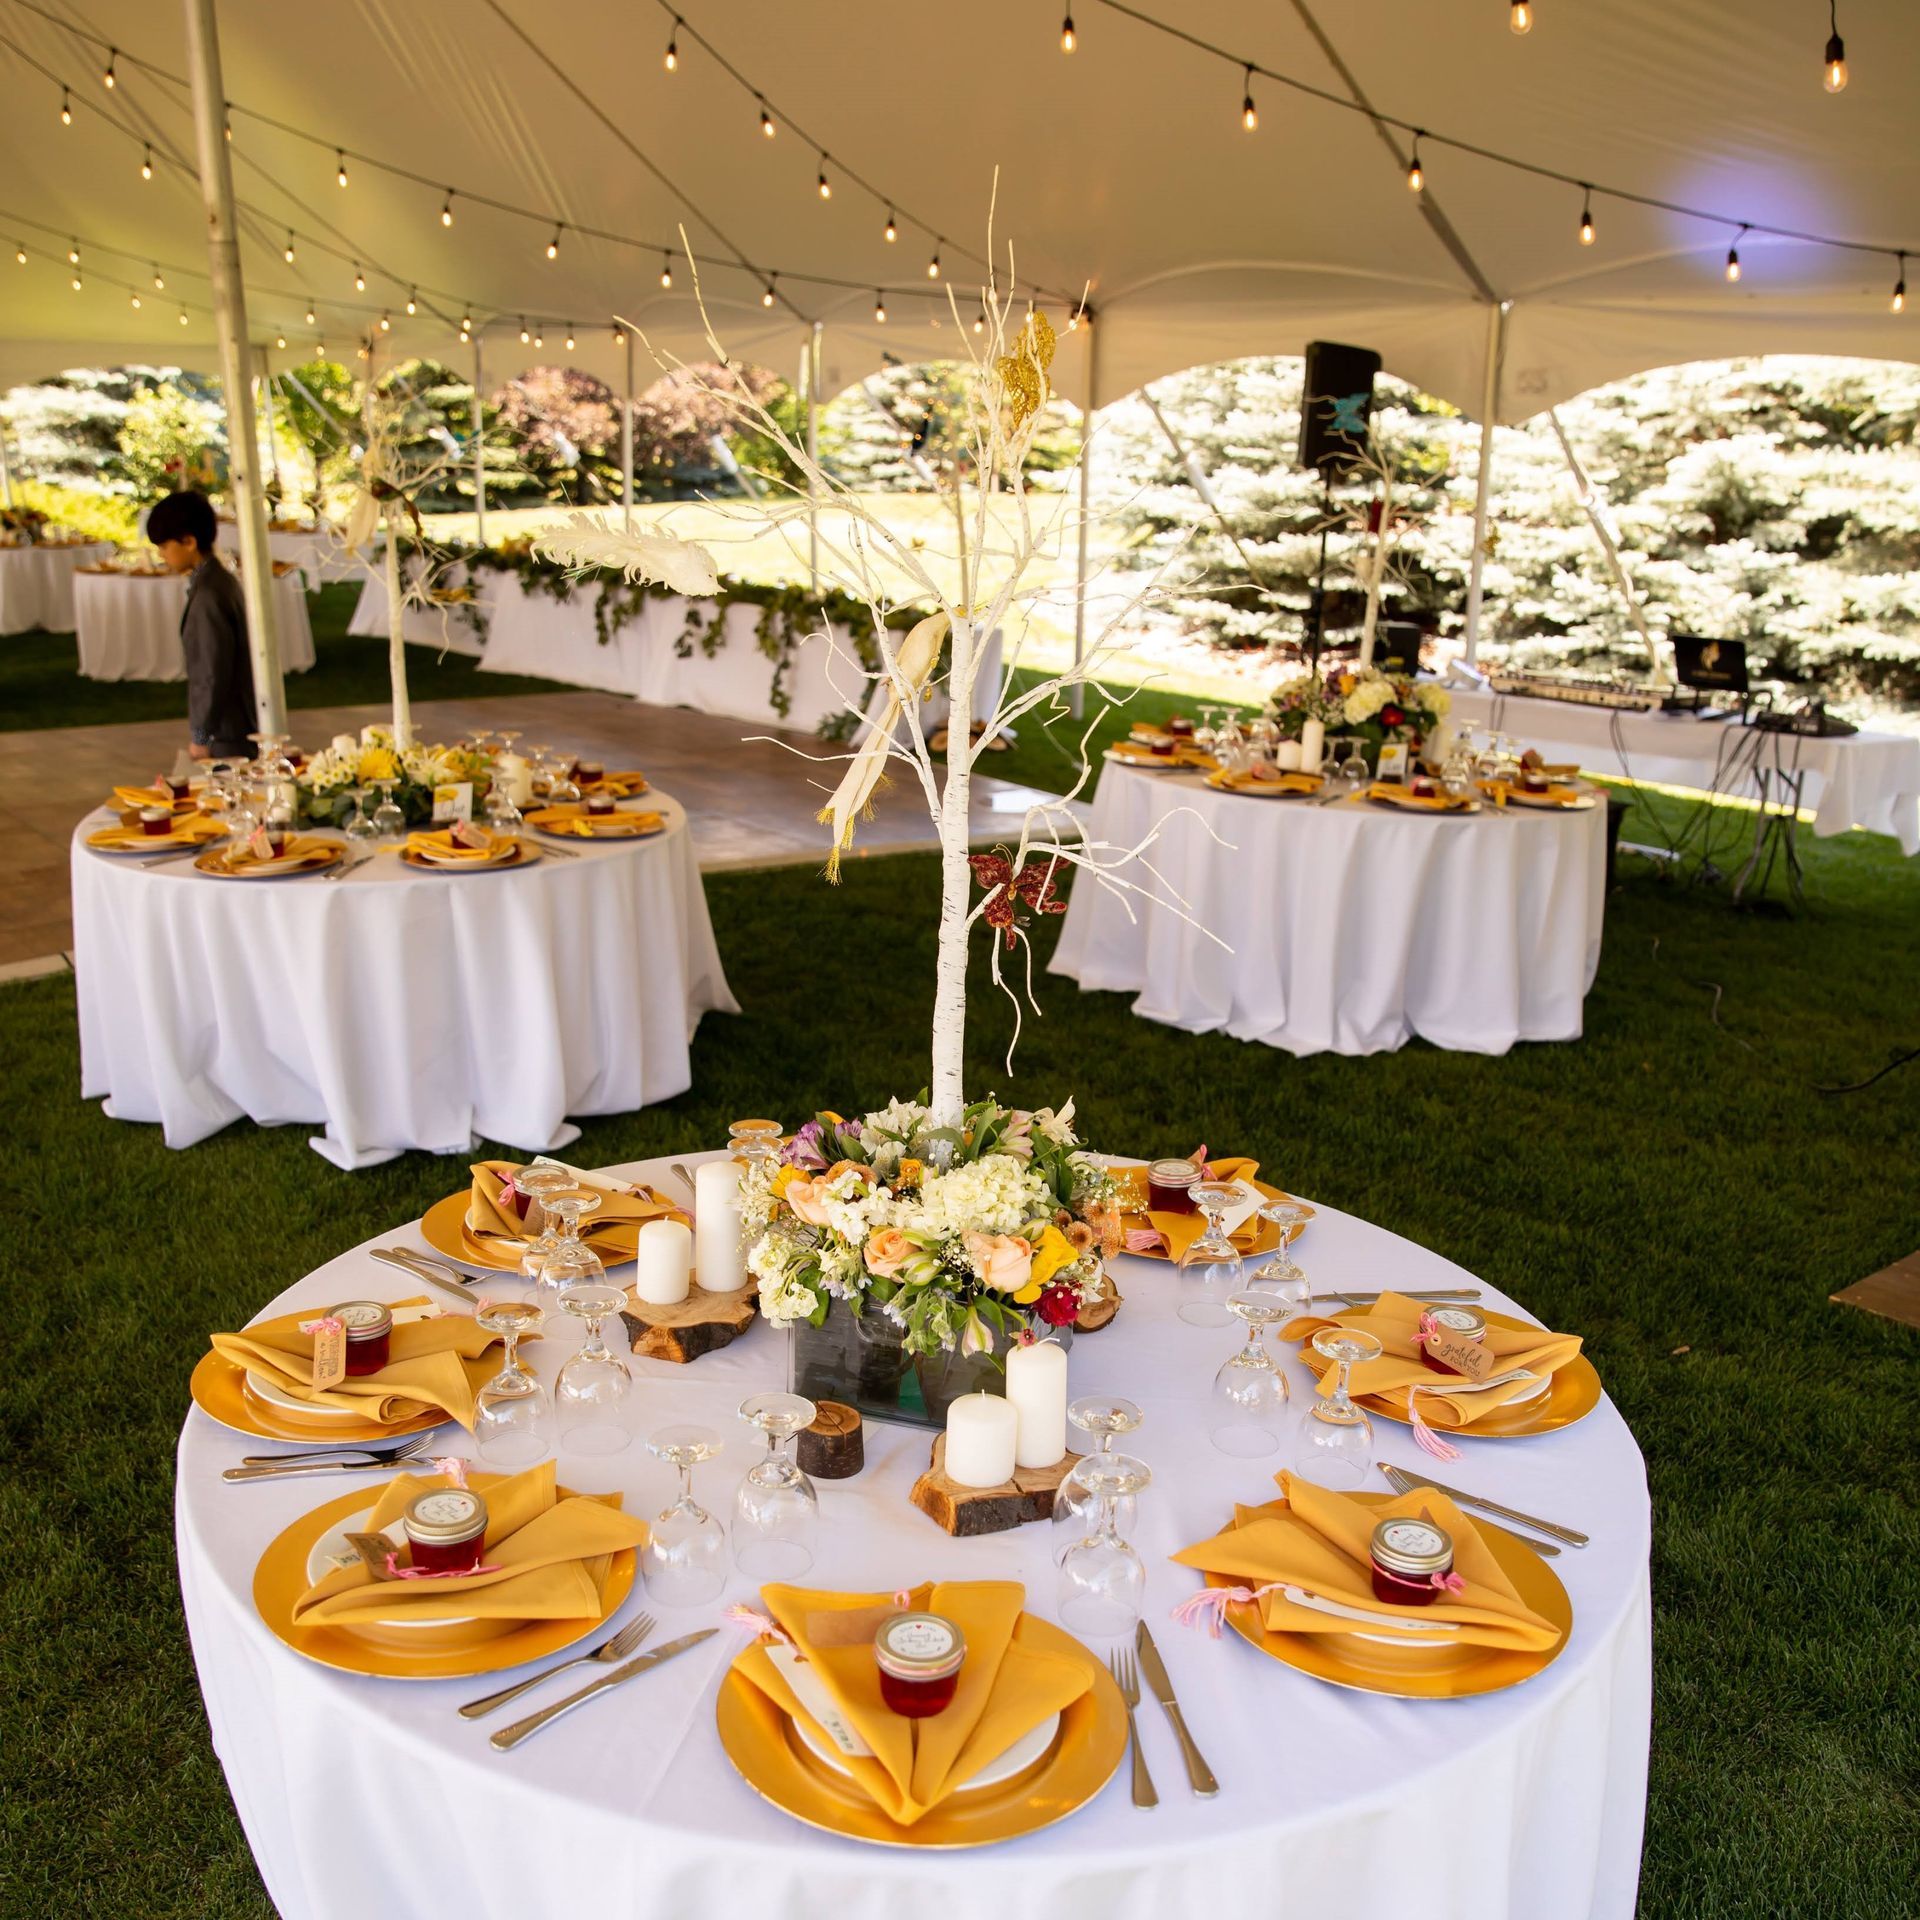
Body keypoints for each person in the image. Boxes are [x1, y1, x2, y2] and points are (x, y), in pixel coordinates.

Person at [147, 490, 256, 761]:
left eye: (164, 546)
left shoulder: (209, 594)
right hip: (237, 723)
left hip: (228, 731)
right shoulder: (220, 581)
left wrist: (201, 735)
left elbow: (210, 671)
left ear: (189, 542)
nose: (161, 555)